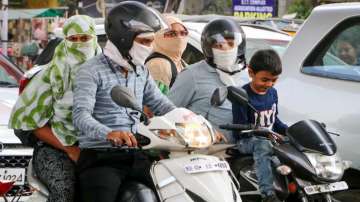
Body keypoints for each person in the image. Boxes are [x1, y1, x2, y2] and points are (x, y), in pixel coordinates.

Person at [72, 2, 176, 202]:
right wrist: (109, 133)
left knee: (173, 191)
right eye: (145, 42)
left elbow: (161, 104)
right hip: (101, 157)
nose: (150, 48)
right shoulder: (91, 70)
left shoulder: (141, 71)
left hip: (137, 155)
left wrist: (193, 121)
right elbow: (80, 115)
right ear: (124, 39)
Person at [8, 15, 100, 202]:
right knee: (64, 190)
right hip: (55, 148)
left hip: (99, 147)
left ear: (94, 39)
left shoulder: (108, 73)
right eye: (73, 39)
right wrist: (70, 150)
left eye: (84, 38)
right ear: (65, 41)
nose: (79, 44)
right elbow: (32, 123)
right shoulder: (50, 75)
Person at [168, 18, 246, 143]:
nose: (225, 49)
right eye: (218, 45)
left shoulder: (246, 75)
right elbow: (170, 112)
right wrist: (202, 129)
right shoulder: (192, 75)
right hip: (206, 151)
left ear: (239, 46)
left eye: (231, 44)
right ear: (208, 48)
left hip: (242, 150)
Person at [232, 49, 288, 202]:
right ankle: (267, 194)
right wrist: (263, 134)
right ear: (251, 72)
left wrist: (289, 131)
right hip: (246, 141)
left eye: (273, 80)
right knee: (263, 146)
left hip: (269, 139)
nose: (269, 84)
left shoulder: (273, 93)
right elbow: (241, 130)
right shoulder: (242, 95)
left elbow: (274, 120)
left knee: (291, 146)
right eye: (264, 80)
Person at [145, 15, 188, 94]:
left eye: (183, 33)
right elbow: (153, 103)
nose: (179, 38)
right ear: (159, 36)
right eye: (172, 34)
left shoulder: (180, 62)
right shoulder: (158, 65)